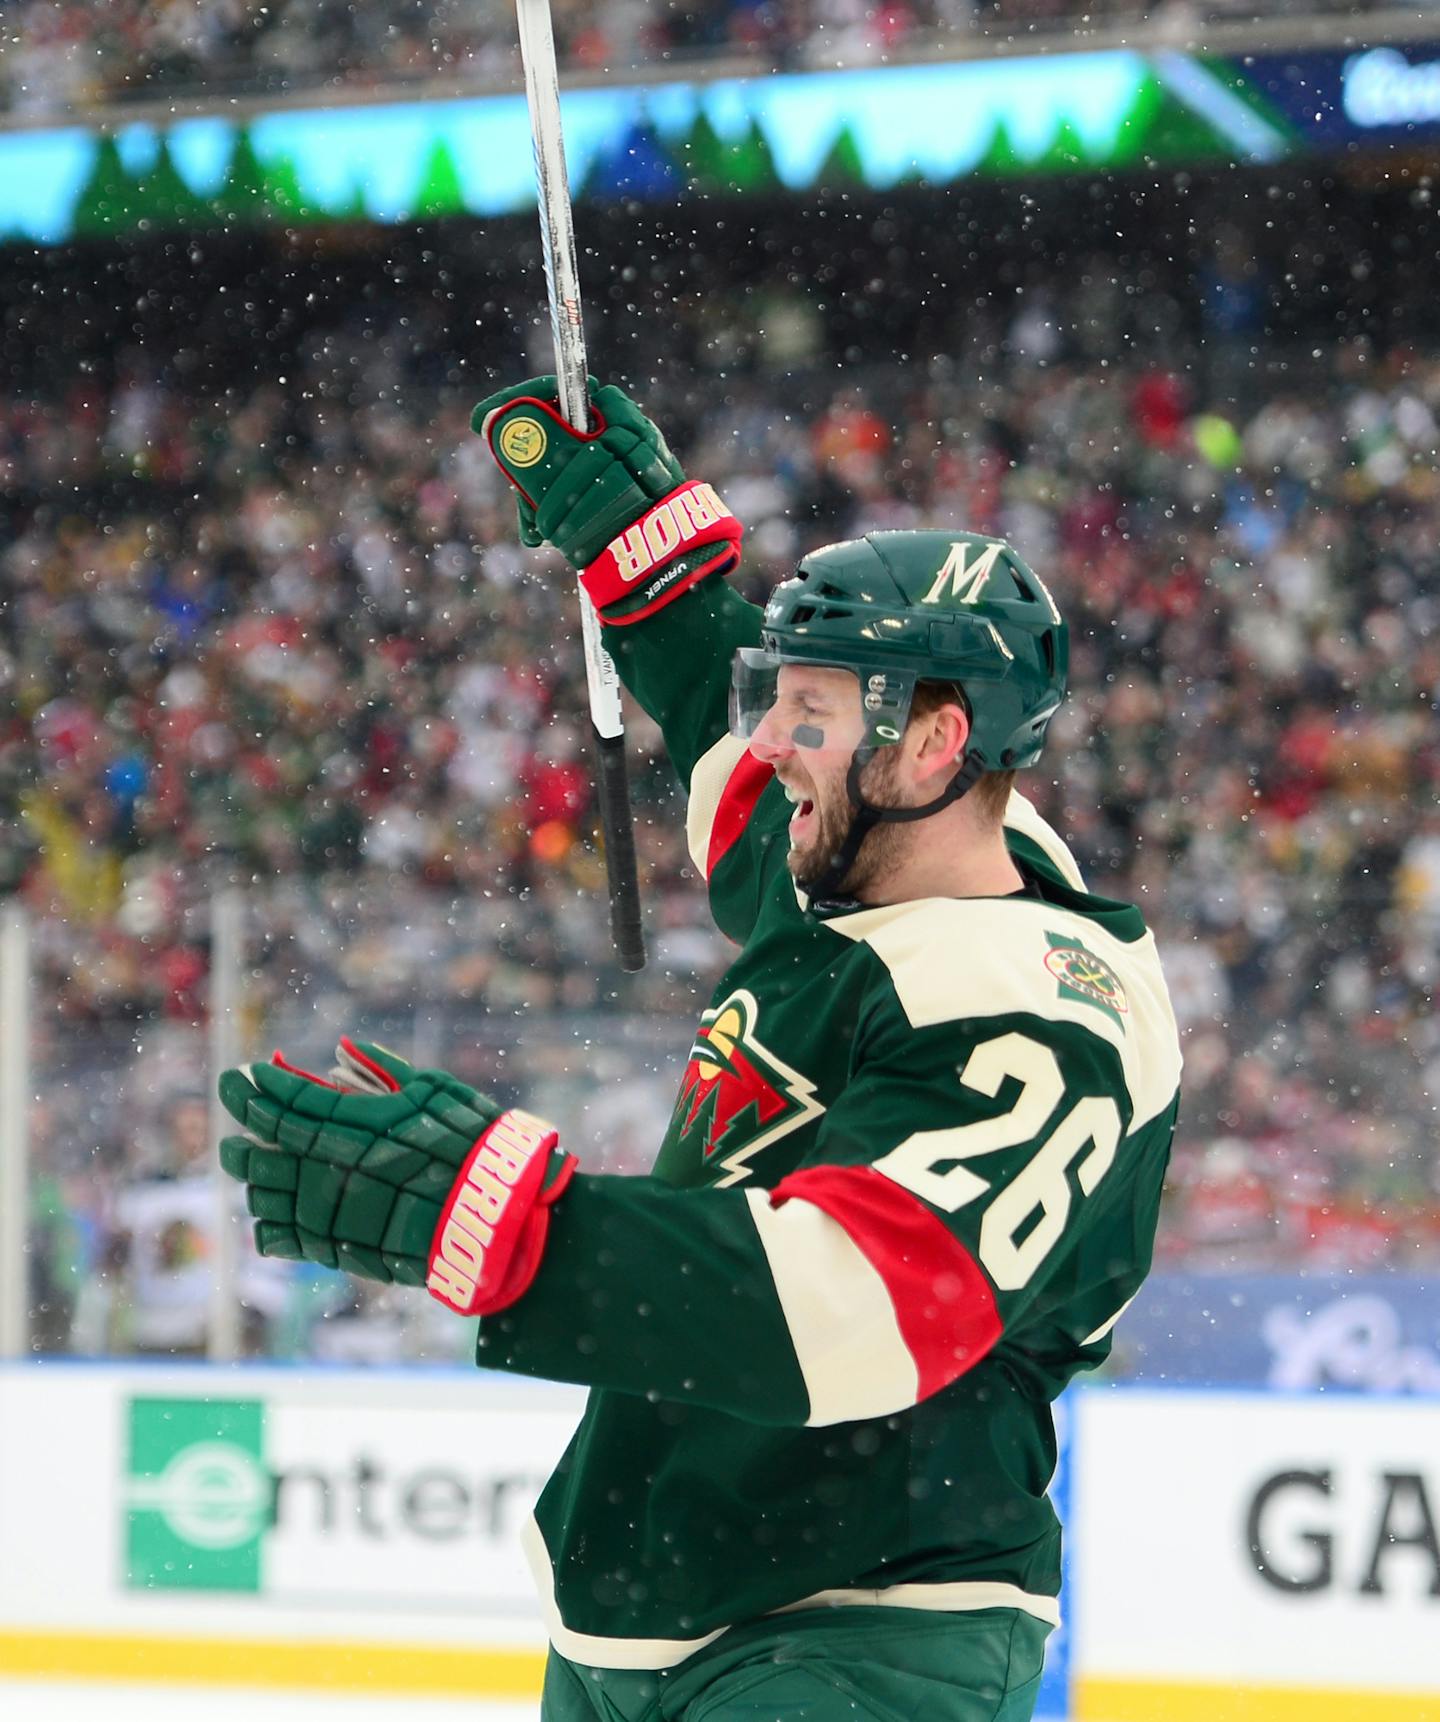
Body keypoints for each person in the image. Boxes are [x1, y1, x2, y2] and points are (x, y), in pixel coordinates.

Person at [218, 377, 1182, 1721]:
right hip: (644, 1596)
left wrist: (517, 1234)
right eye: (779, 699)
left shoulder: (1042, 1011)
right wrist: (651, 562)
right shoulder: (864, 870)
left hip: (867, 1621)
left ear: (935, 745)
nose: (777, 745)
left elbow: (858, 1300)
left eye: (815, 715)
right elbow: (727, 743)